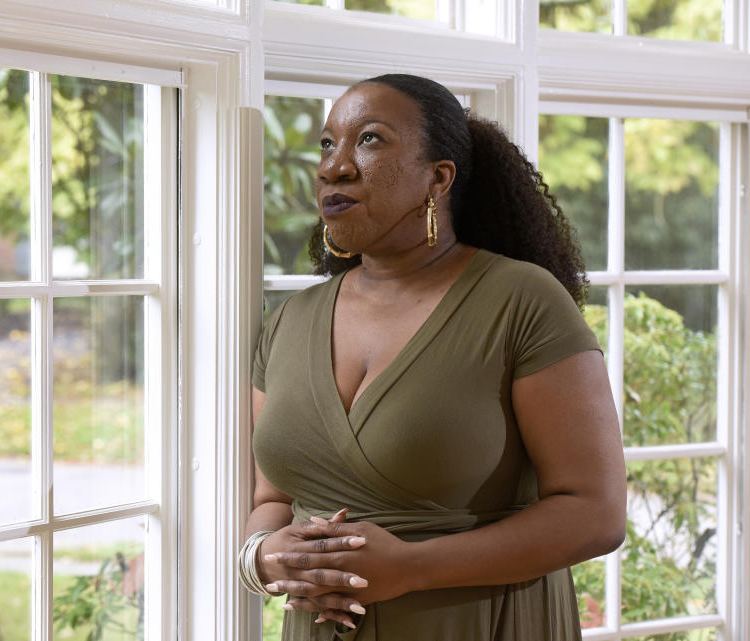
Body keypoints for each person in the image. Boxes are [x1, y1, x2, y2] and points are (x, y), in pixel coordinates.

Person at [239, 74, 627, 640]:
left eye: (369, 140)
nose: (334, 167)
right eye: (327, 144)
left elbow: (595, 514)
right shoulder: (289, 321)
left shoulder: (521, 300)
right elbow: (272, 498)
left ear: (438, 177)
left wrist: (411, 569)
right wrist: (263, 558)